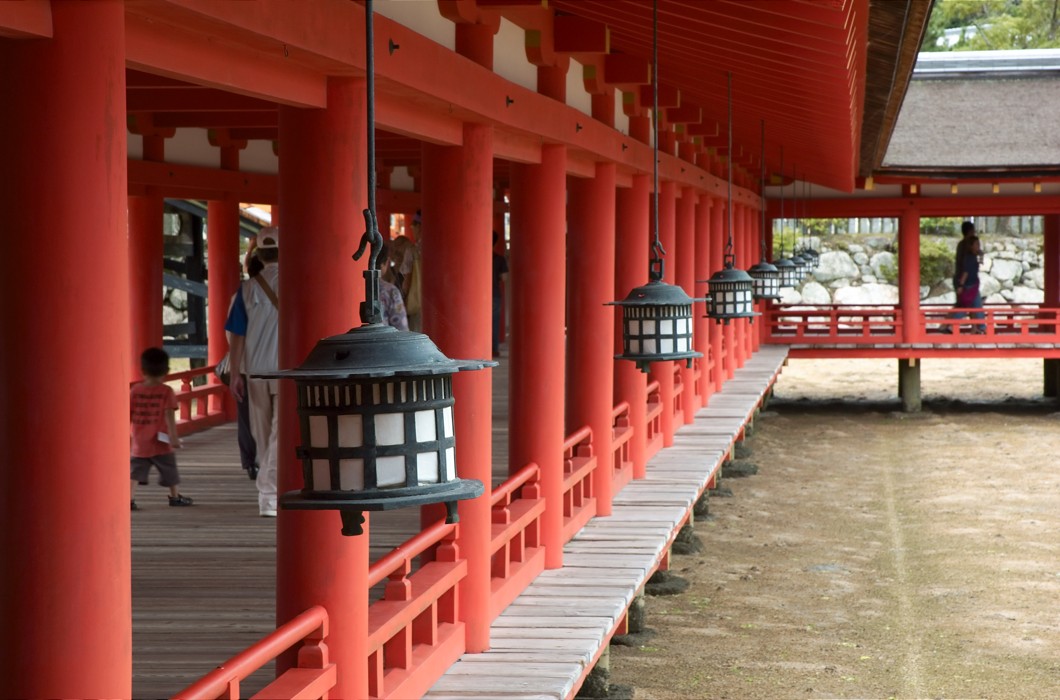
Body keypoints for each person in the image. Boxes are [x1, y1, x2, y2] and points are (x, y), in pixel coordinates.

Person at [226, 227, 280, 517]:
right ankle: (271, 494)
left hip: (256, 370)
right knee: (279, 436)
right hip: (287, 371)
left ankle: (267, 498)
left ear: (259, 253)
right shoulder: (297, 284)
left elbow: (236, 337)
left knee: (262, 436)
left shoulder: (247, 289)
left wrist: (236, 374)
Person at [130, 347, 193, 510]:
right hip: (160, 441)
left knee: (135, 472)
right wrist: (173, 437)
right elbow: (169, 415)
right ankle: (174, 497)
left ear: (142, 369)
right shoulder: (166, 391)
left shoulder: (135, 390)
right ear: (166, 370)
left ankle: (129, 499)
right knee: (170, 469)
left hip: (139, 440)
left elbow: (128, 414)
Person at [231, 250, 264, 480]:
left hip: (247, 364)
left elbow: (232, 334)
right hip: (275, 366)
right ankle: (267, 465)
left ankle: (252, 462)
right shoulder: (286, 287)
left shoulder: (243, 293)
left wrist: (235, 370)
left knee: (248, 419)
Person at [947, 234, 986, 334]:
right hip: (969, 285)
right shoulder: (970, 258)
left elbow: (981, 263)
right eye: (977, 244)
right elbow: (966, 272)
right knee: (971, 307)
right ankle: (981, 326)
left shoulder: (973, 256)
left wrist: (981, 255)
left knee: (973, 306)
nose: (978, 246)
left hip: (973, 284)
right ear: (971, 246)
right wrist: (961, 285)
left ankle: (980, 327)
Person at [492, 231, 508, 357]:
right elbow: (504, 278)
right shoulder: (500, 259)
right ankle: (494, 349)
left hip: (479, 297)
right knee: (494, 322)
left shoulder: (478, 257)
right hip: (495, 294)